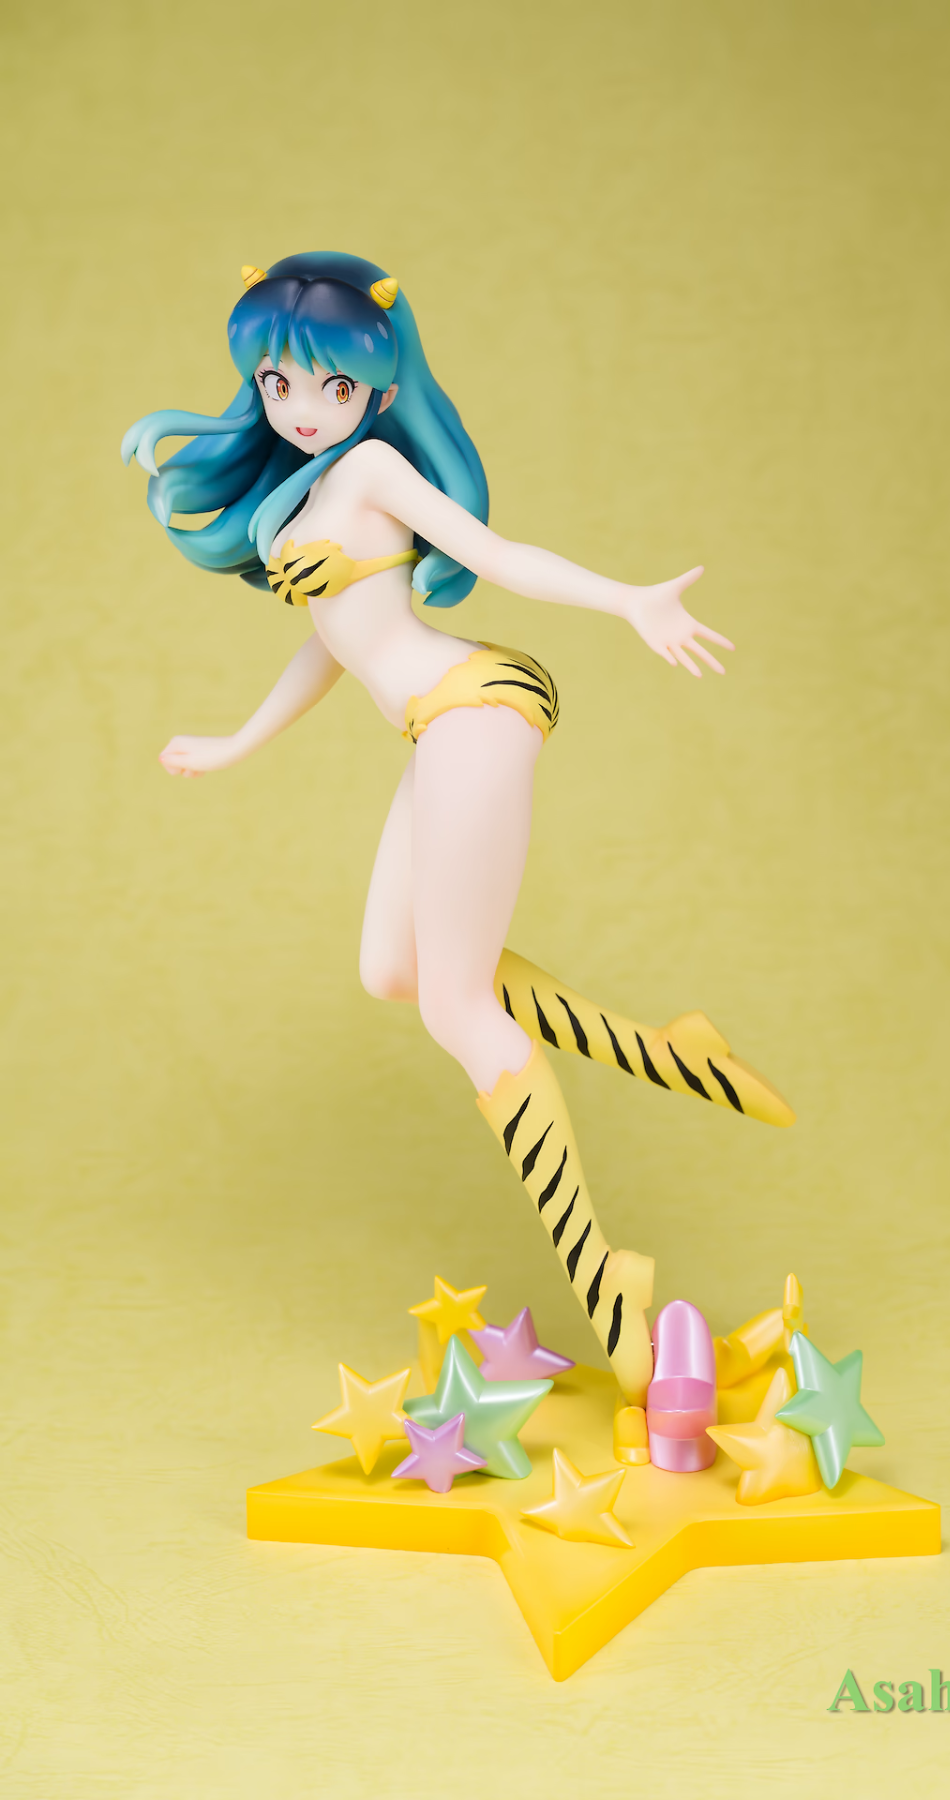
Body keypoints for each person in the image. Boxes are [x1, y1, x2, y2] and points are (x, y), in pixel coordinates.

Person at [123, 251, 793, 1406]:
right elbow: (336, 643)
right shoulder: (303, 491)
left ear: (378, 389)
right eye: (280, 383)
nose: (302, 407)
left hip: (475, 708)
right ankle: (673, 1050)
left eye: (331, 386)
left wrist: (628, 600)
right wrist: (237, 742)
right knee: (396, 970)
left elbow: (496, 557)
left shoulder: (373, 465)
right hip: (435, 725)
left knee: (455, 1003)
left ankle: (607, 1282)